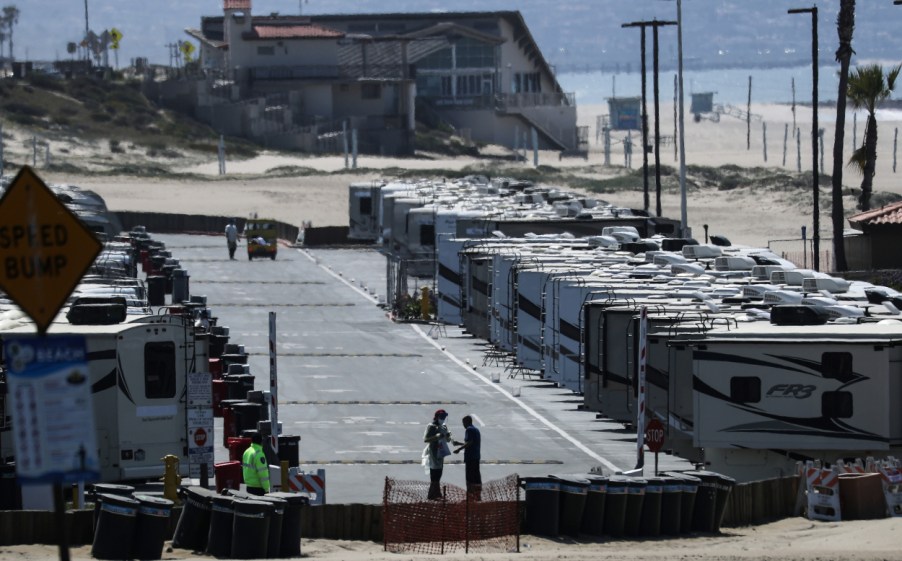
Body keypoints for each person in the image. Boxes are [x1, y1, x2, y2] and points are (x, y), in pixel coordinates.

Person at [423, 409, 452, 500]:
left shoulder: (444, 427)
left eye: (444, 417)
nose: (443, 419)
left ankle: (436, 493)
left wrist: (448, 436)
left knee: (439, 473)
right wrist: (436, 437)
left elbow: (448, 440)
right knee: (434, 474)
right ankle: (432, 495)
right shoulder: (432, 426)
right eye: (441, 417)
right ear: (437, 417)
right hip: (434, 453)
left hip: (441, 453)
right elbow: (426, 439)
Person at [453, 415, 481, 499]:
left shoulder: (469, 430)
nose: (463, 425)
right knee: (476, 476)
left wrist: (459, 449)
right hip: (476, 456)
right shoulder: (476, 429)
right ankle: (477, 495)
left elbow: (469, 443)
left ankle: (471, 497)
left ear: (466, 422)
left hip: (470, 457)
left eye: (463, 423)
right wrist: (459, 443)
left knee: (470, 477)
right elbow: (472, 443)